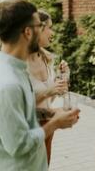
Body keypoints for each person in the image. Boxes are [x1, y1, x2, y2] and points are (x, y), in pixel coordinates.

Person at [0, 0, 80, 171]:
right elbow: (18, 145)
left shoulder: (16, 69)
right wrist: (55, 124)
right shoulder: (9, 83)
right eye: (40, 25)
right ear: (28, 32)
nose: (46, 30)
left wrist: (51, 113)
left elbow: (20, 112)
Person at [27, 10, 69, 164]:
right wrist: (49, 90)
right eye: (50, 27)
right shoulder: (18, 63)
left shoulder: (47, 59)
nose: (53, 32)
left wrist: (63, 79)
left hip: (47, 125)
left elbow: (51, 95)